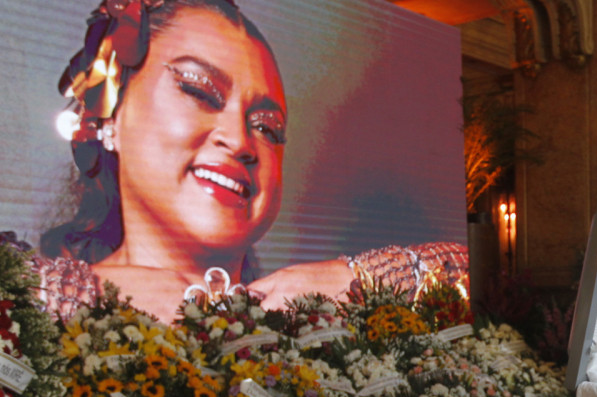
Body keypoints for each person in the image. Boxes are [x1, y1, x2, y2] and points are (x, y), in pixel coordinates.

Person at [36, 0, 465, 321]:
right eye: (199, 91)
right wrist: (81, 294)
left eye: (266, 128)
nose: (241, 141)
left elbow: (474, 271)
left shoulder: (312, 320)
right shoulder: (31, 308)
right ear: (112, 112)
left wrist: (358, 279)